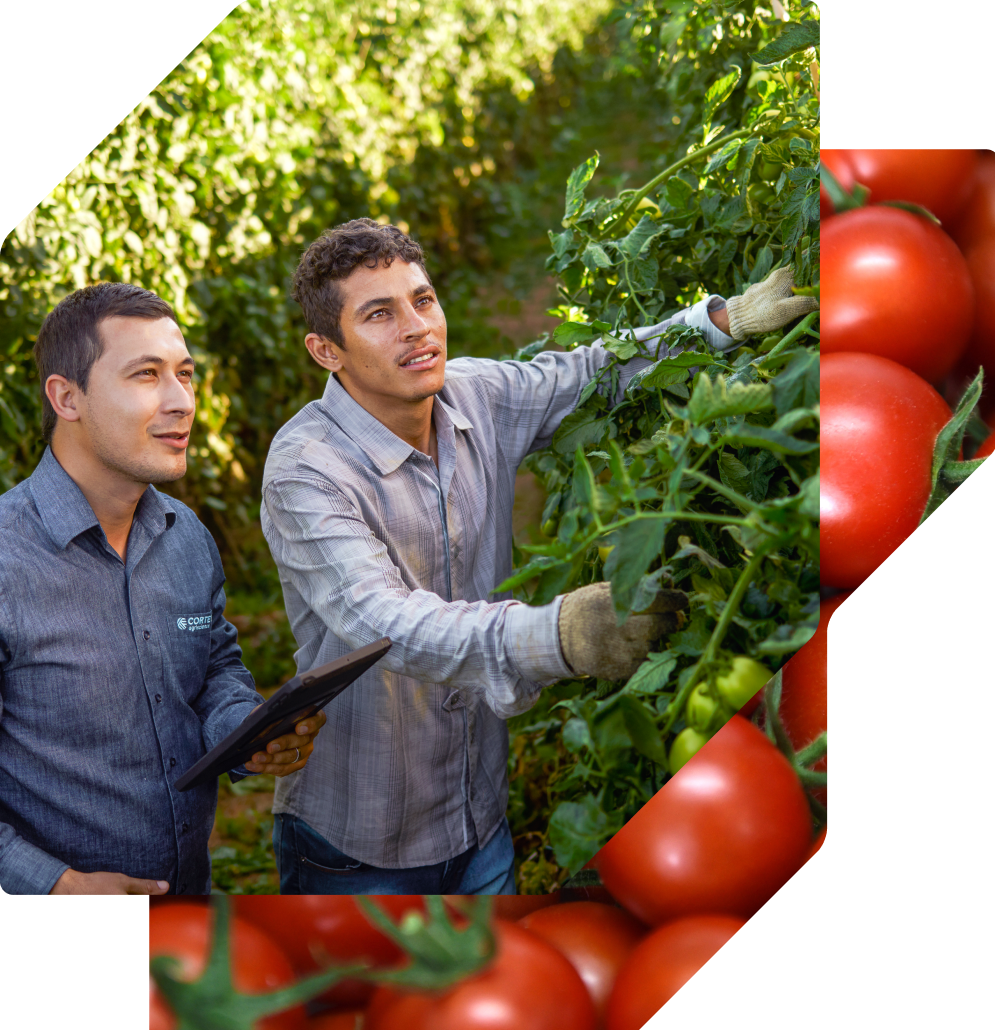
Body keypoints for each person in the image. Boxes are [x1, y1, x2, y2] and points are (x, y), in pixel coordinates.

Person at [262, 217, 817, 895]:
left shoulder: (473, 394)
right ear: (327, 350)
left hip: (480, 820)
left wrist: (720, 322)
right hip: (357, 848)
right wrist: (558, 634)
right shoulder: (305, 469)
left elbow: (588, 374)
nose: (416, 327)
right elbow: (385, 623)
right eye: (379, 314)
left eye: (423, 299)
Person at [0, 283, 327, 895]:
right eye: (147, 375)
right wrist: (55, 884)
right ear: (66, 397)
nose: (182, 402)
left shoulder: (185, 537)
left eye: (185, 374)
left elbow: (213, 669)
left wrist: (247, 732)